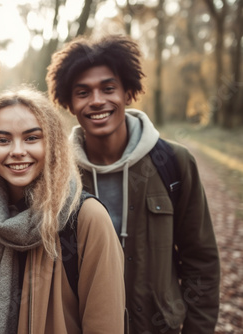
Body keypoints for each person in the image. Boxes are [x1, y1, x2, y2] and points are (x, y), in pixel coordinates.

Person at [46, 35, 220, 334]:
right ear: (70, 102)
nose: (97, 100)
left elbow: (201, 262)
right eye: (83, 92)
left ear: (128, 93)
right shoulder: (56, 174)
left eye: (108, 88)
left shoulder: (174, 163)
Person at [0, 87, 126, 333]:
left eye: (31, 138)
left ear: (52, 144)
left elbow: (104, 324)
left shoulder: (88, 218)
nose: (17, 151)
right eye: (2, 140)